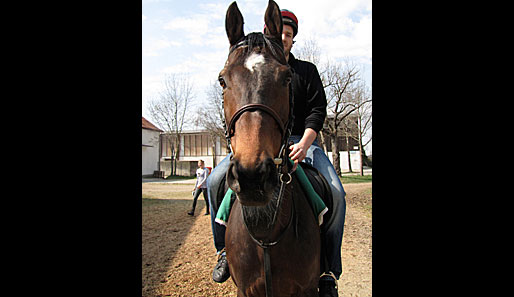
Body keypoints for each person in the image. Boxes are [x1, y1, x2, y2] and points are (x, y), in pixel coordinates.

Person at [206, 9, 346, 297]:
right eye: (278, 32)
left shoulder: (305, 70)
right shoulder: (260, 70)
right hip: (263, 141)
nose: (283, 37)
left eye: (288, 34)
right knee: (213, 182)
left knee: (337, 193)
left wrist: (305, 143)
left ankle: (329, 270)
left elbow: (317, 111)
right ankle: (222, 251)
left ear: (293, 39)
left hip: (302, 142)